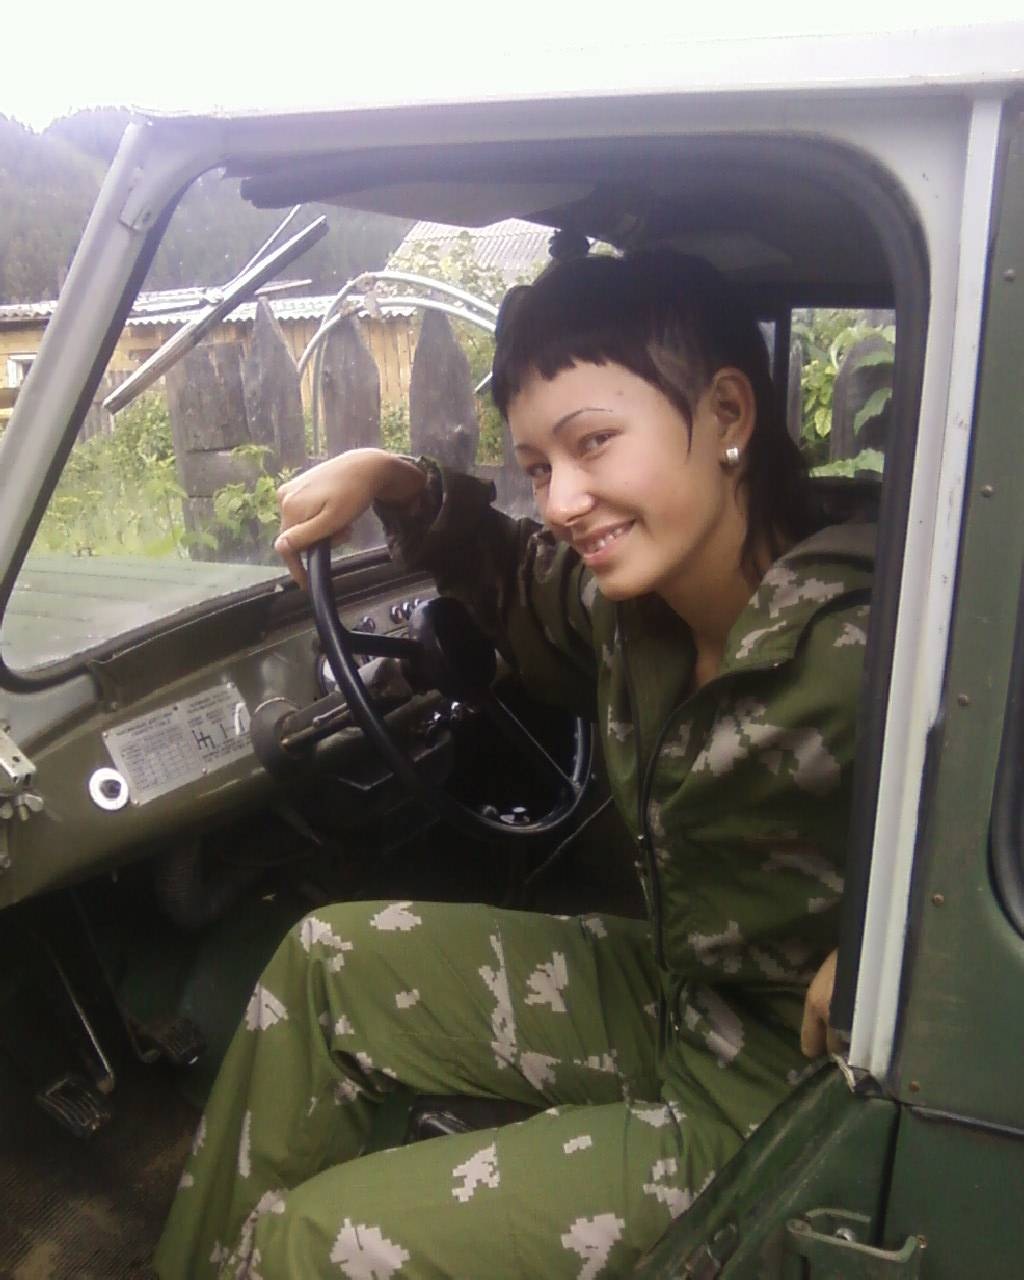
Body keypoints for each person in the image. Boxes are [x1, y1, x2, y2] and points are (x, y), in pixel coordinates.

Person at [154, 250, 873, 1279]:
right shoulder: (633, 605)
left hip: (788, 1102)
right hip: (680, 992)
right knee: (324, 964)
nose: (564, 501)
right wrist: (395, 481)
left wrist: (904, 962)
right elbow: (512, 576)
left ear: (727, 413)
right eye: (538, 468)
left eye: (594, 443)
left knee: (311, 1242)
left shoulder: (882, 639)